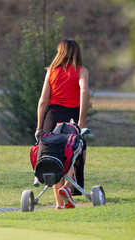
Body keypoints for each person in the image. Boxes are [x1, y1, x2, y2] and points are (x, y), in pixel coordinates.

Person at [35, 38, 90, 210]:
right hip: (72, 115)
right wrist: (81, 120)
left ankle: (60, 204)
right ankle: (68, 189)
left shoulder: (50, 71)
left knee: (53, 155)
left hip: (52, 116)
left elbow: (43, 101)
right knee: (75, 153)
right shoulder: (81, 71)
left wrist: (39, 127)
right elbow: (84, 91)